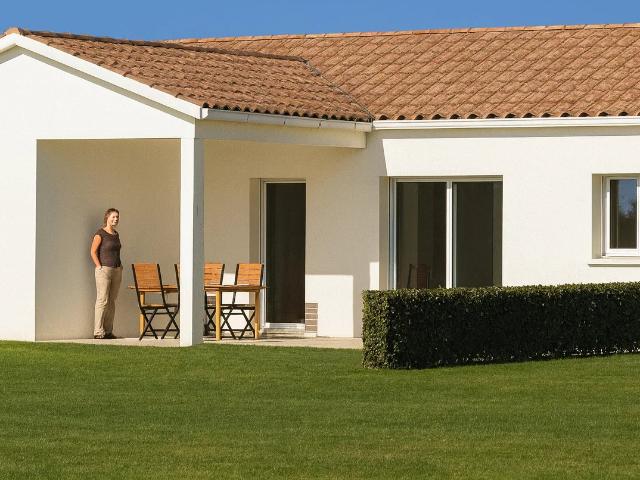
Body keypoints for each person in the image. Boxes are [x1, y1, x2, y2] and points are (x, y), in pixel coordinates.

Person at [90, 208, 123, 339]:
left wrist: (120, 266)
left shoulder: (116, 234)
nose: (116, 219)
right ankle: (98, 332)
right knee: (102, 300)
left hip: (117, 270)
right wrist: (99, 267)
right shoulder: (100, 234)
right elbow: (93, 251)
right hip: (104, 270)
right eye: (113, 217)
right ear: (107, 218)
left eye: (117, 217)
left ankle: (108, 331)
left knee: (111, 301)